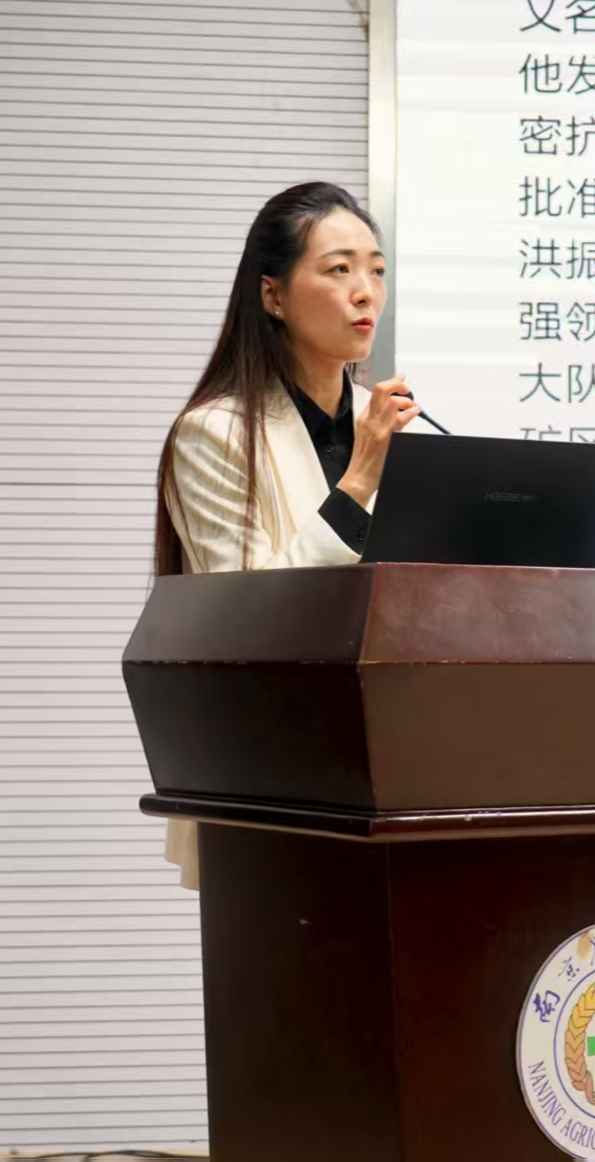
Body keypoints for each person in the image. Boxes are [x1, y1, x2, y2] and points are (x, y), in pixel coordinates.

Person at [150, 181, 420, 885]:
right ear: (273, 296)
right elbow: (254, 619)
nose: (365, 292)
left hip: (400, 775)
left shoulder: (392, 426)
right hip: (273, 781)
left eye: (376, 269)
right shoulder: (214, 435)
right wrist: (359, 479)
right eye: (339, 269)